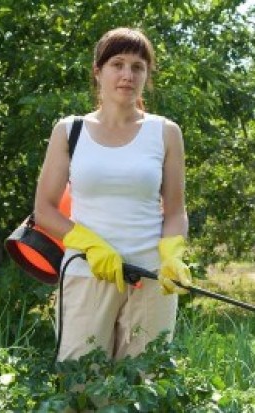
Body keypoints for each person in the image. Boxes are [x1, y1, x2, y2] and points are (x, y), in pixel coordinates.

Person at [34, 27, 191, 361]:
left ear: (147, 75)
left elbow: (176, 211)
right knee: (79, 385)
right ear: (97, 72)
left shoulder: (165, 132)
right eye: (117, 64)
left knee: (144, 384)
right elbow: (44, 211)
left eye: (137, 67)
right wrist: (92, 245)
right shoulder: (70, 130)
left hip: (150, 277)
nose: (127, 74)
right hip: (86, 272)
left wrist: (173, 255)